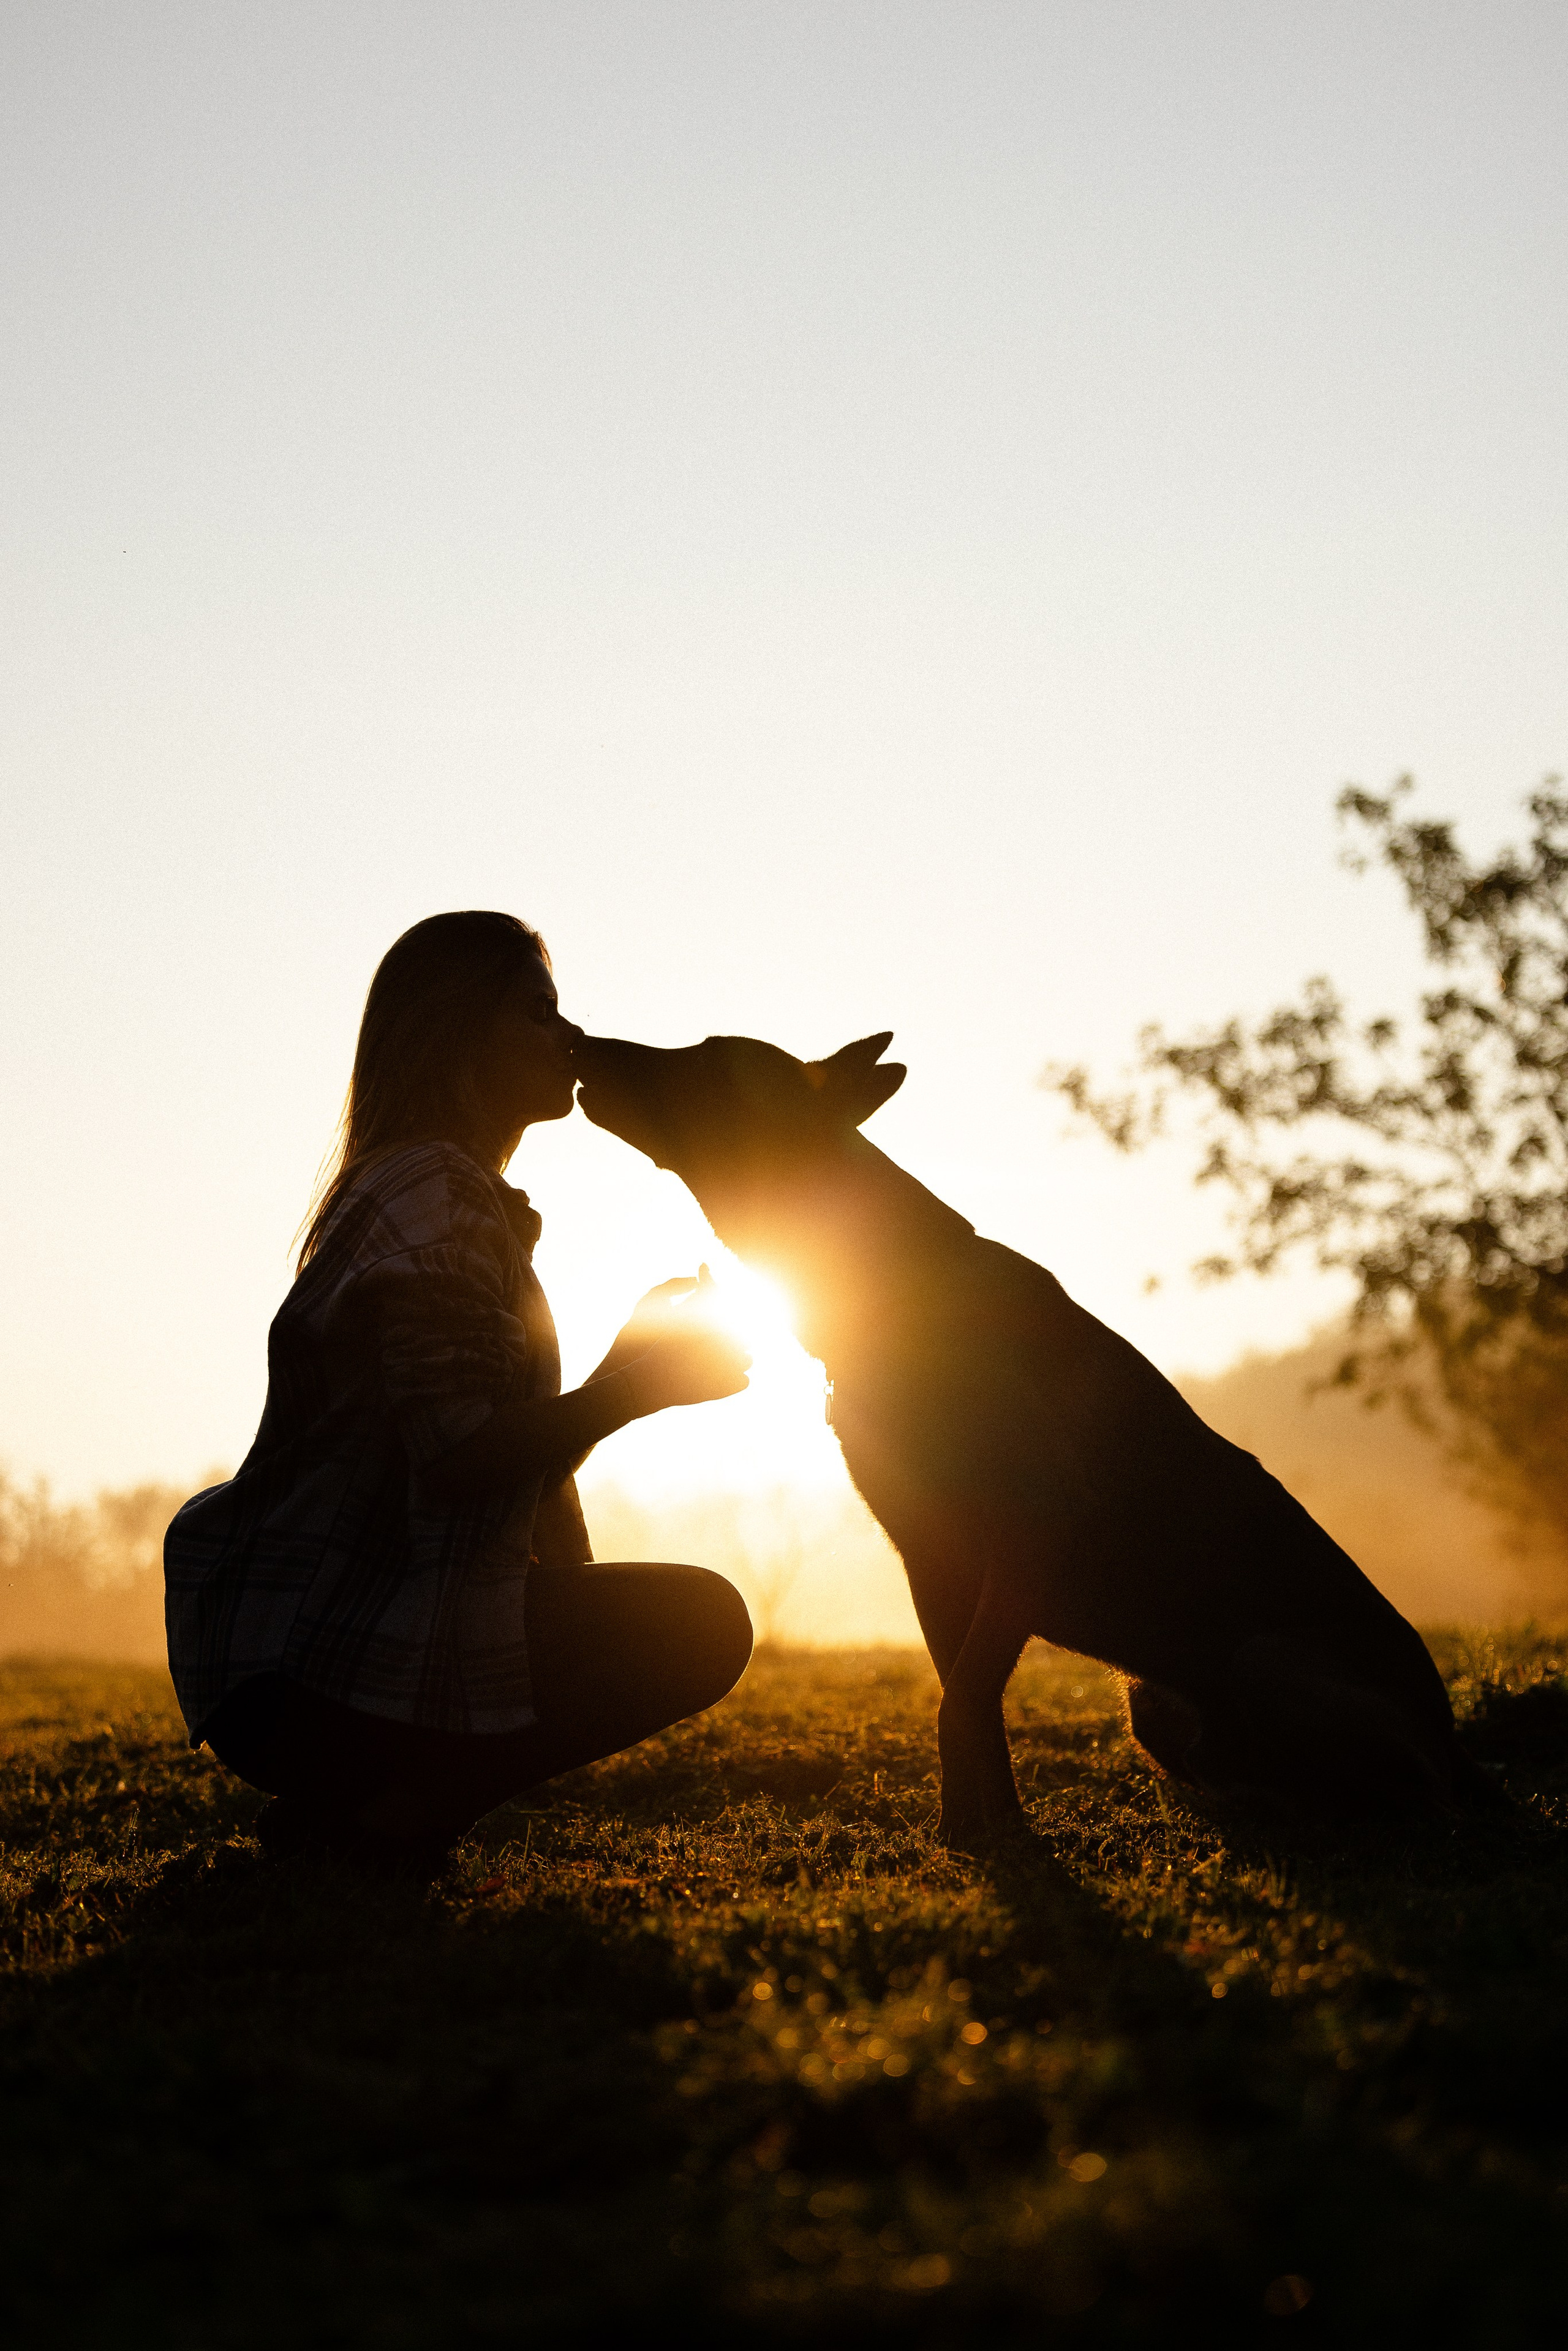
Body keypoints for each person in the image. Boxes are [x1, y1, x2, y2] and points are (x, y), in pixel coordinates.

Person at [164, 910, 754, 1870]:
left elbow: (493, 1453)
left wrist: (620, 1369)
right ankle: (390, 1826)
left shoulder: (435, 1191)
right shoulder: (439, 1196)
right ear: (457, 1036)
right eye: (536, 1012)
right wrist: (642, 1389)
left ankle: (348, 1812)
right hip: (326, 1658)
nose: (567, 1035)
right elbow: (455, 1462)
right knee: (702, 1622)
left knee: (661, 1616)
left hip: (299, 1657)